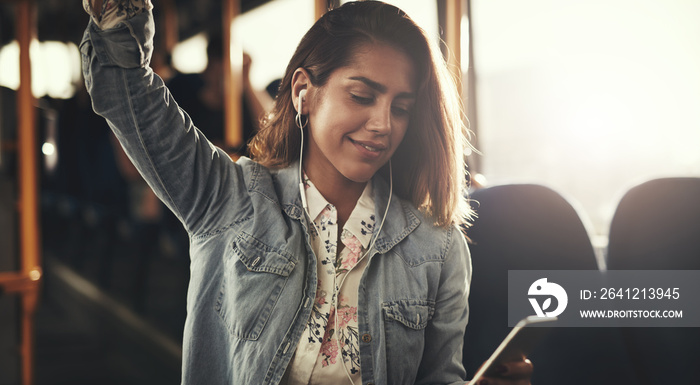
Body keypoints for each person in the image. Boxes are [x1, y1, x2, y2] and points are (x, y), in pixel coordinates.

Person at [80, 0, 533, 384]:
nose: (382, 124)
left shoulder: (439, 247)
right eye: (361, 96)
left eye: (401, 108)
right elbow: (127, 93)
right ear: (303, 92)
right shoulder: (230, 199)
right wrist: (120, 15)